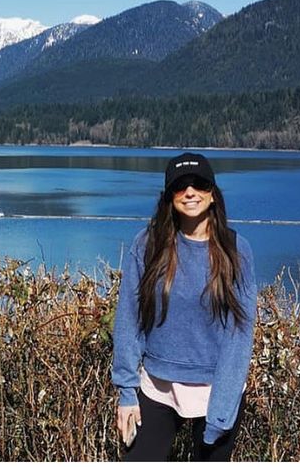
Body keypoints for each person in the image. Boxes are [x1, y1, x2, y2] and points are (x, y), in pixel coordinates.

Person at [111, 152, 256, 461]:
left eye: (200, 184)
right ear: (168, 198)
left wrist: (221, 411)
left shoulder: (235, 249)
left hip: (217, 389)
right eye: (180, 186)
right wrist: (126, 391)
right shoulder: (148, 245)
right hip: (157, 387)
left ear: (213, 195)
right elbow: (129, 318)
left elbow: (239, 335)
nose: (190, 192)